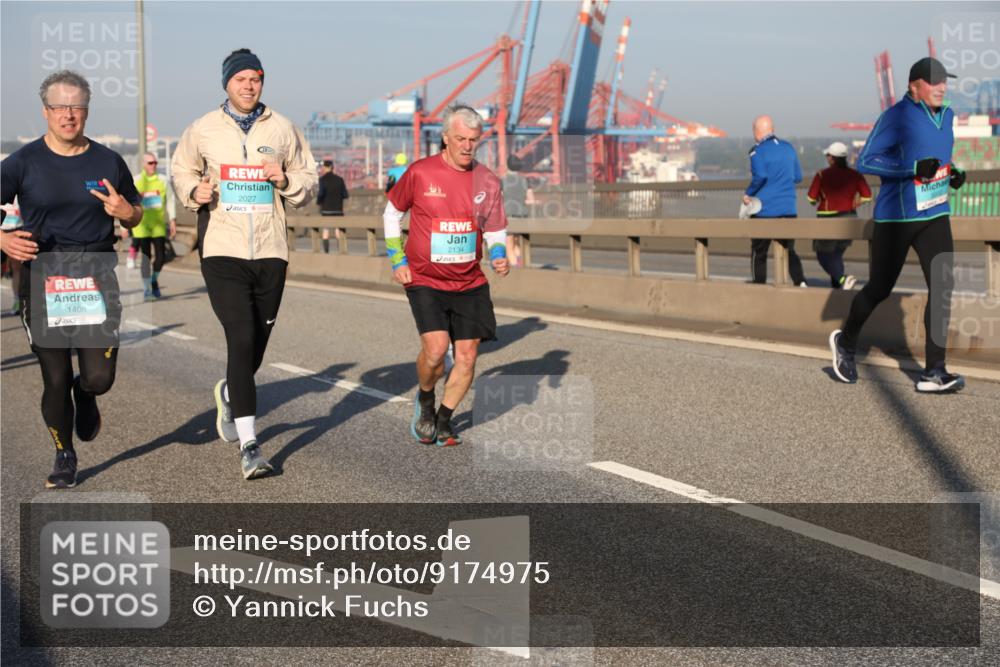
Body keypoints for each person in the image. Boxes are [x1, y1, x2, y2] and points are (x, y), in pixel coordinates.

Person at [172, 48, 318, 478]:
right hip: (222, 249)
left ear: (262, 82)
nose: (248, 85)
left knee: (256, 343)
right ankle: (250, 446)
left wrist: (286, 179)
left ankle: (232, 393)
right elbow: (180, 170)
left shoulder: (284, 128)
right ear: (227, 84)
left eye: (255, 79)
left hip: (271, 251)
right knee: (239, 337)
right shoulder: (203, 129)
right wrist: (193, 192)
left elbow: (308, 180)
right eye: (240, 79)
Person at [0, 70, 143, 488]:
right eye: (60, 107)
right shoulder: (22, 162)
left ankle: (87, 395)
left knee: (98, 378)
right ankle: (64, 455)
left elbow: (136, 211)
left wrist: (126, 212)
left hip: (96, 273)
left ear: (87, 111)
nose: (68, 114)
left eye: (76, 106)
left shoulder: (107, 161)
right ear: (46, 111)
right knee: (55, 377)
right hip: (43, 275)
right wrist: (3, 241)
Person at [830, 57, 967, 393]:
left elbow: (936, 160)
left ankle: (935, 372)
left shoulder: (947, 116)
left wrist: (951, 173)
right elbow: (866, 160)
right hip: (897, 218)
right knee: (880, 288)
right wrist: (911, 168)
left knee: (942, 287)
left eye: (944, 81)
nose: (941, 87)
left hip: (934, 213)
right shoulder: (896, 116)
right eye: (933, 82)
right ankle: (846, 342)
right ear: (914, 86)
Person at [383, 104, 509, 446]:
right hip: (424, 278)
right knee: (437, 350)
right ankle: (426, 398)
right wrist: (397, 258)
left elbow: (496, 230)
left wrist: (498, 255)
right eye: (460, 139)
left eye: (473, 140)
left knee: (467, 356)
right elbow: (392, 213)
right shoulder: (421, 173)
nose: (467, 146)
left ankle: (443, 419)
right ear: (445, 138)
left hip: (469, 282)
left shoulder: (488, 181)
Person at [742, 115, 807, 286]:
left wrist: (748, 193)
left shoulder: (756, 151)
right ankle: (801, 282)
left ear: (756, 132)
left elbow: (761, 176)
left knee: (759, 251)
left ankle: (759, 286)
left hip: (764, 211)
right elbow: (798, 177)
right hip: (788, 209)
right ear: (773, 129)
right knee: (788, 250)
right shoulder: (789, 148)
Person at [806, 141, 872, 290]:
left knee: (823, 256)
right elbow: (867, 195)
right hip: (849, 219)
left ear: (832, 158)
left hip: (828, 219)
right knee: (836, 255)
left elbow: (811, 198)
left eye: (828, 155)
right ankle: (839, 287)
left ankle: (843, 279)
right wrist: (855, 203)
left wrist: (819, 199)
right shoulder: (855, 175)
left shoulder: (822, 174)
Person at [133, 151, 177, 298]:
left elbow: (170, 200)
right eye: (150, 163)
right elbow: (128, 203)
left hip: (158, 224)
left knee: (161, 257)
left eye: (155, 163)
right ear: (143, 164)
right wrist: (124, 226)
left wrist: (172, 220)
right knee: (146, 257)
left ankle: (153, 281)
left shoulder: (163, 180)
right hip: (142, 225)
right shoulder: (136, 180)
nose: (154, 165)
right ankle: (147, 289)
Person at [317, 159, 348, 253]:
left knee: (326, 231)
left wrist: (319, 203)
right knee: (338, 231)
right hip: (338, 210)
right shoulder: (340, 180)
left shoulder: (322, 180)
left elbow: (321, 194)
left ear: (325, 168)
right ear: (332, 167)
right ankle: (340, 251)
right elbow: (345, 195)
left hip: (326, 210)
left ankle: (326, 252)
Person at [1, 201, 24, 315]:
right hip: (1, 230)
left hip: (17, 228)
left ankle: (17, 301)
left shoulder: (21, 183)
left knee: (17, 268)